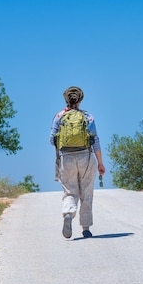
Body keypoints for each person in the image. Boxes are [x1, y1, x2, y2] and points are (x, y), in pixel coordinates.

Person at [50, 86, 106, 239]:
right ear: (80, 100)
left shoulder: (59, 116)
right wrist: (100, 163)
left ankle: (68, 213)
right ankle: (86, 228)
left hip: (66, 158)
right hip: (85, 157)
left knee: (70, 191)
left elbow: (52, 139)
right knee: (86, 193)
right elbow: (95, 141)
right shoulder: (88, 117)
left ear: (66, 99)